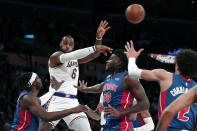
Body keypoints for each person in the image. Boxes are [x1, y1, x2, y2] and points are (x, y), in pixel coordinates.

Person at [39, 20, 112, 131]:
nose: (68, 46)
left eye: (70, 44)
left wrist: (98, 38)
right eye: (65, 43)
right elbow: (79, 53)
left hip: (73, 101)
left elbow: (95, 54)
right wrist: (93, 47)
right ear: (60, 44)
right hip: (56, 100)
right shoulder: (55, 56)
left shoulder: (75, 59)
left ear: (73, 46)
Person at [124, 40, 197, 130]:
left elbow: (133, 72)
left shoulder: (166, 76)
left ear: (177, 64)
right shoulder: (195, 87)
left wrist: (131, 57)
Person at [75, 49, 150, 131]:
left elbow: (145, 103)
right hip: (107, 126)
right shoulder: (109, 78)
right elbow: (99, 87)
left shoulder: (128, 78)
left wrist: (120, 113)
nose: (107, 61)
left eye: (111, 59)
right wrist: (85, 89)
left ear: (119, 63)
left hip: (122, 126)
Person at [10, 72, 88, 131]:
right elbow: (46, 116)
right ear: (34, 83)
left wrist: (54, 89)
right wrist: (73, 110)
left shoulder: (28, 97)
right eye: (37, 78)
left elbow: (40, 100)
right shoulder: (28, 98)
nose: (40, 79)